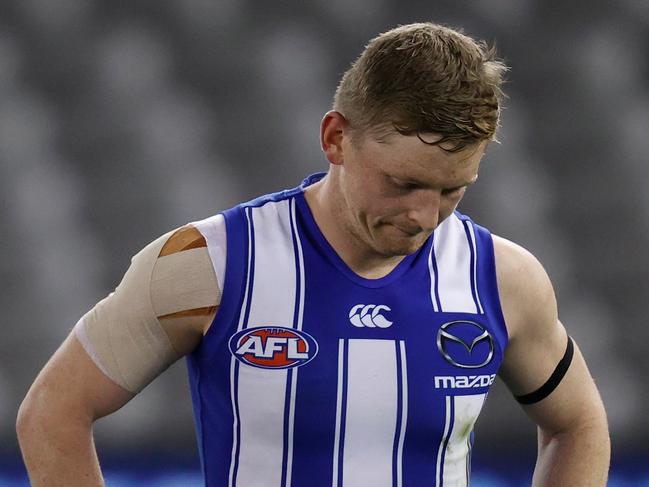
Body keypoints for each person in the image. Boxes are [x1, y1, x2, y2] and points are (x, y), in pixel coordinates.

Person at [16, 22, 610, 486]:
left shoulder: (504, 279)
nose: (424, 217)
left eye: (453, 190)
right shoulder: (208, 263)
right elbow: (53, 412)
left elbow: (578, 424)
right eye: (403, 185)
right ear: (335, 138)